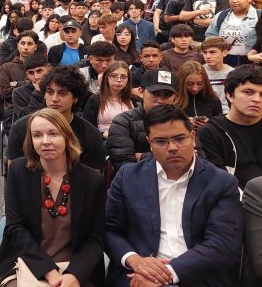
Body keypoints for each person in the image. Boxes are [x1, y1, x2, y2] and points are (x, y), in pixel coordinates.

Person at [105, 104, 242, 287]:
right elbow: (109, 230)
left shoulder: (221, 182)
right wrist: (134, 260)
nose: (172, 148)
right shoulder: (128, 177)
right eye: (161, 141)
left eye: (180, 139)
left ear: (193, 137)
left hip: (198, 277)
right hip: (137, 275)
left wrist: (167, 274)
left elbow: (221, 242)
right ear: (149, 143)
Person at [0, 108, 105, 287]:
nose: (45, 142)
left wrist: (73, 275)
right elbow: (15, 228)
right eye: (37, 135)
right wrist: (49, 272)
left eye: (53, 134)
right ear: (30, 141)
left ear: (67, 137)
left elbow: (95, 238)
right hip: (26, 261)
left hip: (75, 267)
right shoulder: (19, 171)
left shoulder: (92, 180)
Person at [8, 65, 106, 171]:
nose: (54, 99)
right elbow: (13, 173)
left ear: (75, 98)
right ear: (44, 95)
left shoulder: (90, 134)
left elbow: (93, 180)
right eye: (50, 92)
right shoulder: (21, 127)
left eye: (62, 93)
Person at [197, 64, 262, 189]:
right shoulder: (211, 133)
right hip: (235, 200)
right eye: (248, 92)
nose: (257, 99)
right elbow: (218, 182)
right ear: (229, 95)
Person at [106, 69, 179, 172]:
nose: (161, 100)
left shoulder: (181, 120)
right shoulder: (123, 122)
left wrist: (141, 156)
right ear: (141, 92)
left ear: (175, 97)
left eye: (167, 95)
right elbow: (124, 166)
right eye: (155, 93)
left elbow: (197, 157)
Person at [205, 0, 260, 66]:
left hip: (252, 63)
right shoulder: (221, 16)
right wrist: (218, 45)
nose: (234, 1)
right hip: (224, 61)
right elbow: (210, 36)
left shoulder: (259, 16)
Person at [83, 61, 135, 137]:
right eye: (114, 76)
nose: (119, 80)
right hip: (104, 141)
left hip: (129, 139)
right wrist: (103, 135)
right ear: (107, 78)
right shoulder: (95, 99)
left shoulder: (135, 100)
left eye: (123, 77)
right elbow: (88, 128)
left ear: (128, 79)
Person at [174, 61, 222, 125]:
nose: (195, 88)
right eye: (190, 84)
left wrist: (210, 124)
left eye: (199, 83)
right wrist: (184, 123)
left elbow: (220, 125)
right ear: (181, 82)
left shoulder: (213, 100)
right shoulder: (173, 99)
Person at [200, 36, 233, 114]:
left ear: (224, 53)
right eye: (205, 52)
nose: (207, 56)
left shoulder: (233, 73)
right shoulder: (199, 71)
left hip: (229, 113)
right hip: (207, 112)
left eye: (212, 52)